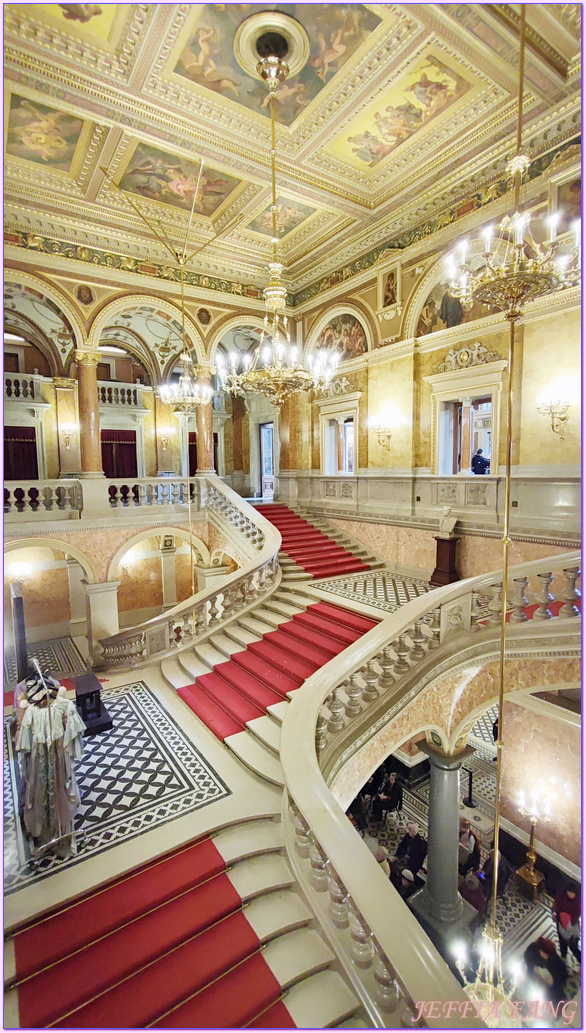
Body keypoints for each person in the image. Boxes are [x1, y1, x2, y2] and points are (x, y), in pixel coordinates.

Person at [524, 937, 567, 1003]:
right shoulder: (533, 948)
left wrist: (553, 981)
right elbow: (527, 956)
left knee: (555, 995)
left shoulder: (555, 960)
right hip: (535, 975)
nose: (546, 956)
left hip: (551, 983)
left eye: (548, 955)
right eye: (544, 953)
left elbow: (562, 975)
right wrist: (533, 967)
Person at [553, 881, 581, 963]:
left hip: (572, 926)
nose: (570, 894)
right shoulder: (562, 896)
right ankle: (563, 955)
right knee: (562, 941)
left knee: (573, 946)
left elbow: (577, 914)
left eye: (572, 892)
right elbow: (556, 905)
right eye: (569, 892)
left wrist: (568, 919)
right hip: (561, 923)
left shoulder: (578, 901)